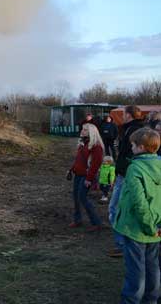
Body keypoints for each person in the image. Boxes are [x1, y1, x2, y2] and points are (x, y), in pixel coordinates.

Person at [112, 128, 161, 304]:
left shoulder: (135, 168)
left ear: (141, 147)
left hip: (136, 229)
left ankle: (132, 300)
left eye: (132, 145)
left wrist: (149, 226)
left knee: (136, 271)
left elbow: (139, 203)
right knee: (153, 267)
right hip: (156, 229)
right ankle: (151, 300)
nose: (130, 148)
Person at [109, 105, 147, 258]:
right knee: (120, 209)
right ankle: (125, 244)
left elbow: (132, 155)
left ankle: (123, 245)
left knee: (115, 209)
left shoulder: (135, 131)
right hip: (125, 174)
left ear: (129, 115)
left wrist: (122, 170)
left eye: (124, 114)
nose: (122, 116)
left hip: (126, 175)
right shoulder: (131, 128)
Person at [68, 123, 104, 231]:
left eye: (84, 130)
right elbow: (78, 160)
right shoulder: (83, 143)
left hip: (86, 176)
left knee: (82, 197)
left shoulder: (96, 146)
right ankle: (77, 219)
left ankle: (96, 222)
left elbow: (95, 164)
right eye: (82, 129)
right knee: (76, 197)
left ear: (91, 132)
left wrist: (89, 179)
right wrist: (71, 169)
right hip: (78, 174)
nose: (82, 131)